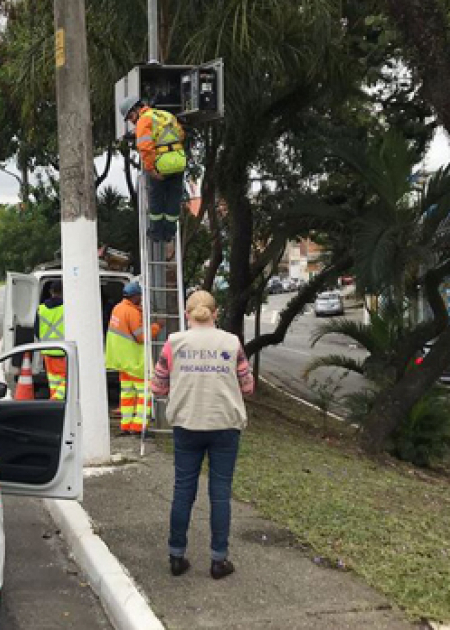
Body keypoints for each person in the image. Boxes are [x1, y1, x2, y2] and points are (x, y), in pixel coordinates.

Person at [152, 290, 254, 580]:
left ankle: (176, 555)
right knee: (220, 492)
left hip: (187, 425)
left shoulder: (174, 343)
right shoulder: (231, 343)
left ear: (187, 314)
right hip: (224, 426)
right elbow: (247, 387)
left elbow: (158, 387)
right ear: (215, 313)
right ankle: (219, 561)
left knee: (183, 490)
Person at [120, 95, 186, 242]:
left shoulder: (144, 120)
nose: (131, 120)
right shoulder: (166, 115)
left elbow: (145, 147)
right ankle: (169, 232)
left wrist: (151, 169)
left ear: (137, 109)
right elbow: (181, 134)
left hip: (161, 165)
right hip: (179, 161)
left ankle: (156, 232)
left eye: (130, 116)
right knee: (174, 198)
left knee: (156, 198)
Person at [105, 281, 160, 434]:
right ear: (135, 296)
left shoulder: (117, 308)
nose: (141, 299)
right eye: (140, 296)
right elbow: (141, 337)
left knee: (127, 395)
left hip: (122, 362)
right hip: (135, 362)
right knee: (144, 394)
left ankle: (126, 425)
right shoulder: (132, 312)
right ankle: (139, 427)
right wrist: (157, 327)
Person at [37, 281, 67, 400]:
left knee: (53, 380)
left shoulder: (41, 309)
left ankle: (55, 402)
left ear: (51, 292)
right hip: (63, 350)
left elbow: (36, 330)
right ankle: (58, 398)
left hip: (47, 351)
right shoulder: (68, 308)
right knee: (67, 377)